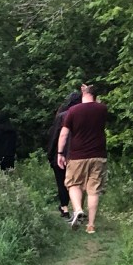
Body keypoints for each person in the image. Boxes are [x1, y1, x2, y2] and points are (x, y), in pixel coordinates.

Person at [57, 84, 108, 235]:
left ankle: (78, 210)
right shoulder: (102, 109)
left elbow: (64, 134)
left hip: (77, 155)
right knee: (93, 190)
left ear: (82, 93)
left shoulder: (73, 110)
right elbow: (98, 106)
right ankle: (91, 225)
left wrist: (60, 153)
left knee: (73, 184)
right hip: (99, 154)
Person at [46, 90, 81, 218]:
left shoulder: (62, 116)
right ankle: (78, 208)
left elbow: (55, 136)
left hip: (61, 154)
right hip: (78, 154)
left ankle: (65, 208)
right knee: (76, 182)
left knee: (61, 181)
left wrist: (51, 154)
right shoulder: (83, 116)